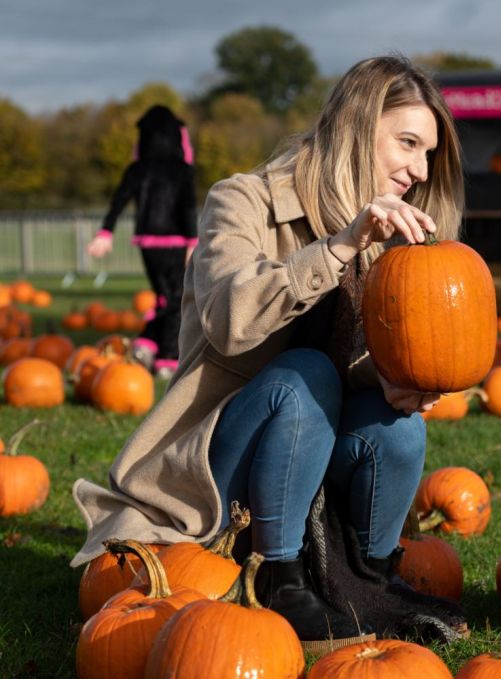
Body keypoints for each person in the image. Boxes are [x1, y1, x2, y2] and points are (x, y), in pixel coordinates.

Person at [71, 56, 465, 649]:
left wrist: (392, 379)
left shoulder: (389, 236)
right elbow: (231, 320)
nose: (419, 168)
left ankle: (371, 575)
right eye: (408, 143)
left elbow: (350, 366)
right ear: (356, 128)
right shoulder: (242, 201)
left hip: (315, 455)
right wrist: (340, 246)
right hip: (227, 465)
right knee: (300, 377)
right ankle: (281, 581)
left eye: (428, 153)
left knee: (397, 425)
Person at [87, 104, 198, 380]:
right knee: (174, 299)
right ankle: (167, 359)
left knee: (163, 297)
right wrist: (193, 241)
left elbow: (119, 200)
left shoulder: (138, 169)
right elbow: (188, 208)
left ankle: (145, 345)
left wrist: (106, 233)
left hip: (148, 243)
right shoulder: (182, 170)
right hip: (175, 242)